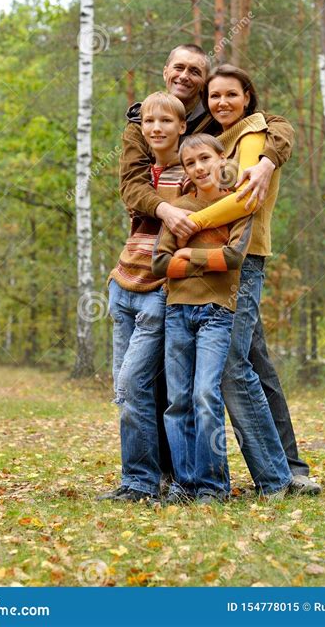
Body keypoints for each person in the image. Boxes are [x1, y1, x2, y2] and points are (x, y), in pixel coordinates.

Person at [120, 45, 320, 494]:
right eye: (180, 68)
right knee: (186, 379)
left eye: (197, 72)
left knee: (241, 365)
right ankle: (178, 475)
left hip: (231, 259)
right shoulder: (146, 127)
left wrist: (270, 159)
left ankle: (283, 471)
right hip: (169, 267)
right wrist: (170, 216)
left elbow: (278, 127)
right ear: (166, 71)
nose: (187, 77)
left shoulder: (228, 130)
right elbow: (132, 187)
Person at [152, 134, 257, 503]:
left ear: (220, 158)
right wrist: (195, 259)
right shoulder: (178, 208)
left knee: (204, 396)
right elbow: (160, 264)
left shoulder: (239, 203)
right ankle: (184, 484)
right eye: (190, 163)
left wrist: (187, 254)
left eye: (204, 159)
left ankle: (213, 486)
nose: (199, 168)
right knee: (178, 400)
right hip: (177, 312)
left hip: (217, 313)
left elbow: (232, 259)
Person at [99, 92, 187, 503]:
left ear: (182, 128)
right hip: (123, 286)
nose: (155, 128)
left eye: (165, 122)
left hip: (156, 292)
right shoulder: (140, 175)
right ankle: (135, 479)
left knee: (134, 385)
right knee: (126, 391)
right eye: (148, 122)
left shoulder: (189, 175)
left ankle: (143, 481)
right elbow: (134, 203)